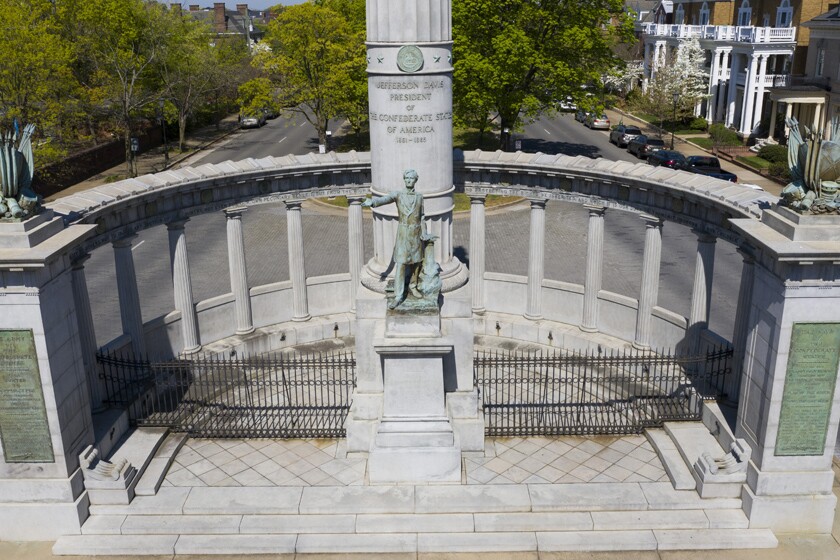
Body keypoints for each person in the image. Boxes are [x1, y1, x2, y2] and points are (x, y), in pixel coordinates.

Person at [363, 169, 434, 309]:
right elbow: (385, 199)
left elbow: (422, 216)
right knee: (401, 264)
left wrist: (424, 232)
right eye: (406, 178)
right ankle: (398, 296)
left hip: (416, 233)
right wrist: (372, 202)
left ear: (415, 180)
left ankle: (413, 286)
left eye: (411, 178)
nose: (408, 180)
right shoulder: (398, 194)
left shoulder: (419, 196)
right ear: (404, 179)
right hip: (403, 232)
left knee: (417, 263)